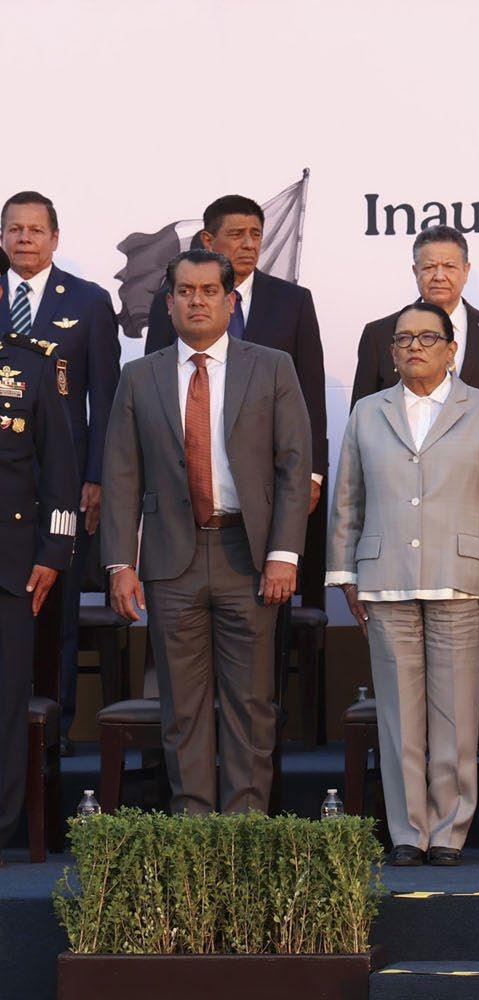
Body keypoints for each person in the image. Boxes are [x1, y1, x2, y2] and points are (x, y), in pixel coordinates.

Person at [102, 249, 312, 815]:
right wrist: (120, 564)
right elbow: (120, 476)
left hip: (249, 554)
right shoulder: (139, 376)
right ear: (168, 303)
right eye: (186, 291)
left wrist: (284, 554)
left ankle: (244, 829)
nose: (197, 301)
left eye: (209, 291)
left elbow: (295, 467)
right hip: (171, 559)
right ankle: (193, 830)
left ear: (230, 300)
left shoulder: (272, 367)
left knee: (251, 704)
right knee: (182, 708)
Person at [326, 302, 479, 867]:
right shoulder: (368, 412)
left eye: (428, 337)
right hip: (384, 578)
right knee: (398, 716)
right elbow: (348, 498)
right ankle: (408, 833)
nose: (415, 346)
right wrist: (345, 574)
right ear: (391, 352)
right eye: (404, 338)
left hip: (461, 578)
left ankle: (449, 833)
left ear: (451, 349)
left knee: (455, 715)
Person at [1, 191, 120, 754]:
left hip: (62, 484)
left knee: (59, 608)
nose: (25, 238)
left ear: (55, 238)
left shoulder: (90, 302)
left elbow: (106, 397)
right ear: (3, 237)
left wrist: (95, 478)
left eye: (35, 229)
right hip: (6, 482)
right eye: (14, 229)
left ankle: (56, 732)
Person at [146, 195, 328, 514]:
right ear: (207, 240)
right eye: (236, 234)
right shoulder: (174, 301)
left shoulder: (293, 301)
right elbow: (154, 387)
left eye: (255, 234)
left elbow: (310, 392)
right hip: (189, 475)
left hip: (271, 472)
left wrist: (312, 472)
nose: (249, 244)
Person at [351, 225, 479, 488]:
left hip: (474, 494)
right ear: (415, 271)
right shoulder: (380, 334)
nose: (439, 276)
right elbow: (361, 428)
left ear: (466, 270)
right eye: (430, 267)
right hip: (396, 490)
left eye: (450, 266)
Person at [0, 321, 78, 865]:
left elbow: (60, 469)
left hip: (10, 567)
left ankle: (1, 824)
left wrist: (54, 552)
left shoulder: (29, 364)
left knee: (5, 704)